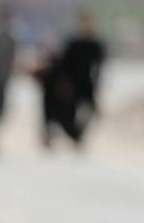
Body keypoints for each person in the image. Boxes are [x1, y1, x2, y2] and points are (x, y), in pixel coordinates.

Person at [36, 11, 105, 148]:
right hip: (72, 86)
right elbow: (64, 65)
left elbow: (98, 68)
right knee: (65, 113)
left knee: (88, 112)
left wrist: (97, 87)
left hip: (87, 85)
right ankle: (69, 136)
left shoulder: (96, 45)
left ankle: (77, 136)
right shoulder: (73, 44)